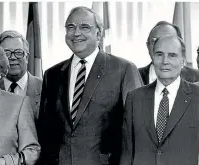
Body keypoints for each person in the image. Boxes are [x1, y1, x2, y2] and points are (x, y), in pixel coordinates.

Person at [37, 6, 143, 165]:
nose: (76, 33)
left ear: (99, 33)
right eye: (70, 27)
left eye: (84, 27)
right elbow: (45, 132)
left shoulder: (123, 69)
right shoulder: (52, 74)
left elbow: (137, 128)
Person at [120, 36, 199, 165]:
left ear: (183, 60)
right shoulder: (134, 98)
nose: (165, 61)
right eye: (159, 54)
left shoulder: (197, 97)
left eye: (172, 55)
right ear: (153, 58)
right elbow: (127, 153)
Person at [0, 30, 42, 118]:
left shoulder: (46, 89)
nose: (13, 57)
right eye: (6, 53)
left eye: (18, 52)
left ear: (27, 58)